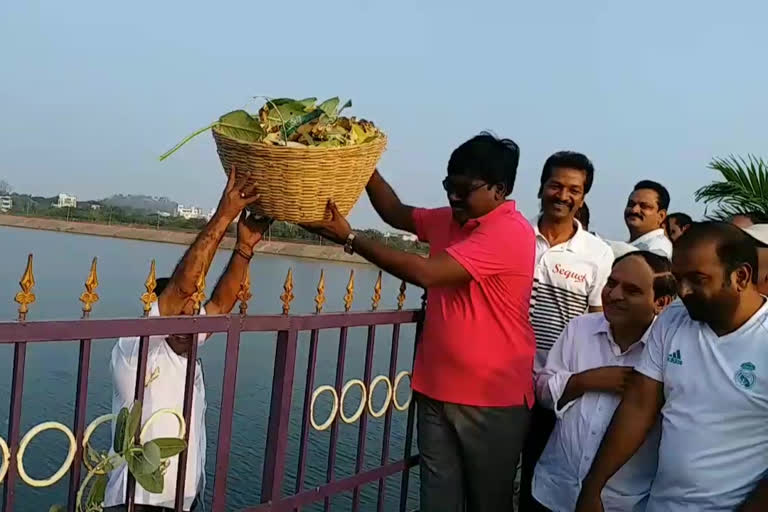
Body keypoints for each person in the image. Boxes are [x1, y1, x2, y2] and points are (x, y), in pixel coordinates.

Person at [304, 132, 535, 512]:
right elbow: (394, 212)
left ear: (500, 189)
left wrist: (351, 239)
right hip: (435, 389)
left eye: (464, 188)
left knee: (488, 502)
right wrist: (361, 164)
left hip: (491, 401)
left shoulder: (509, 232)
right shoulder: (451, 219)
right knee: (438, 500)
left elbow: (428, 272)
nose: (454, 197)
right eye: (449, 186)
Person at [105, 170, 269, 511]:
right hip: (136, 502)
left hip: (186, 499)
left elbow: (222, 303)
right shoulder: (137, 349)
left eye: (195, 313)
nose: (191, 320)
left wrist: (244, 248)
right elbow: (183, 288)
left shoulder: (188, 344)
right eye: (181, 312)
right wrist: (224, 215)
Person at [576, 221, 768, 512]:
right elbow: (638, 407)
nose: (685, 291)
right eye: (679, 279)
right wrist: (594, 486)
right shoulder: (674, 319)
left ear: (741, 276)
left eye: (698, 279)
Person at [532, 251, 676, 511]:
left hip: (620, 502)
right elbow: (542, 390)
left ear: (661, 302)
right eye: (611, 283)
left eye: (631, 290)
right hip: (554, 489)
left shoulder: (670, 352)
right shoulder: (580, 329)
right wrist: (583, 381)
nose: (614, 294)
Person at [519, 151, 614, 510]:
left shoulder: (598, 254)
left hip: (555, 388)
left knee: (538, 481)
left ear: (583, 196)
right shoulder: (515, 236)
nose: (563, 195)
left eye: (573, 189)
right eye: (555, 185)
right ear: (542, 187)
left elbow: (599, 323)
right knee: (490, 477)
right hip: (503, 383)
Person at [624, 180, 673, 258]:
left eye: (644, 206)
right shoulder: (631, 246)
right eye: (631, 204)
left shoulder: (657, 249)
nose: (634, 210)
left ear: (661, 216)